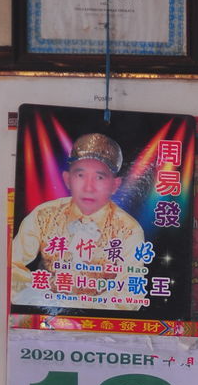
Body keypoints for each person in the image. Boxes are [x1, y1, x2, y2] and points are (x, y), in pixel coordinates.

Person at [10, 133, 145, 311]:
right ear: (67, 179)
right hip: (44, 316)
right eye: (80, 175)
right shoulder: (44, 215)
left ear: (115, 185)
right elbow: (10, 266)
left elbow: (129, 295)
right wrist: (38, 295)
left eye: (100, 177)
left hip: (99, 325)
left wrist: (74, 306)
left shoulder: (129, 229)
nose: (88, 187)